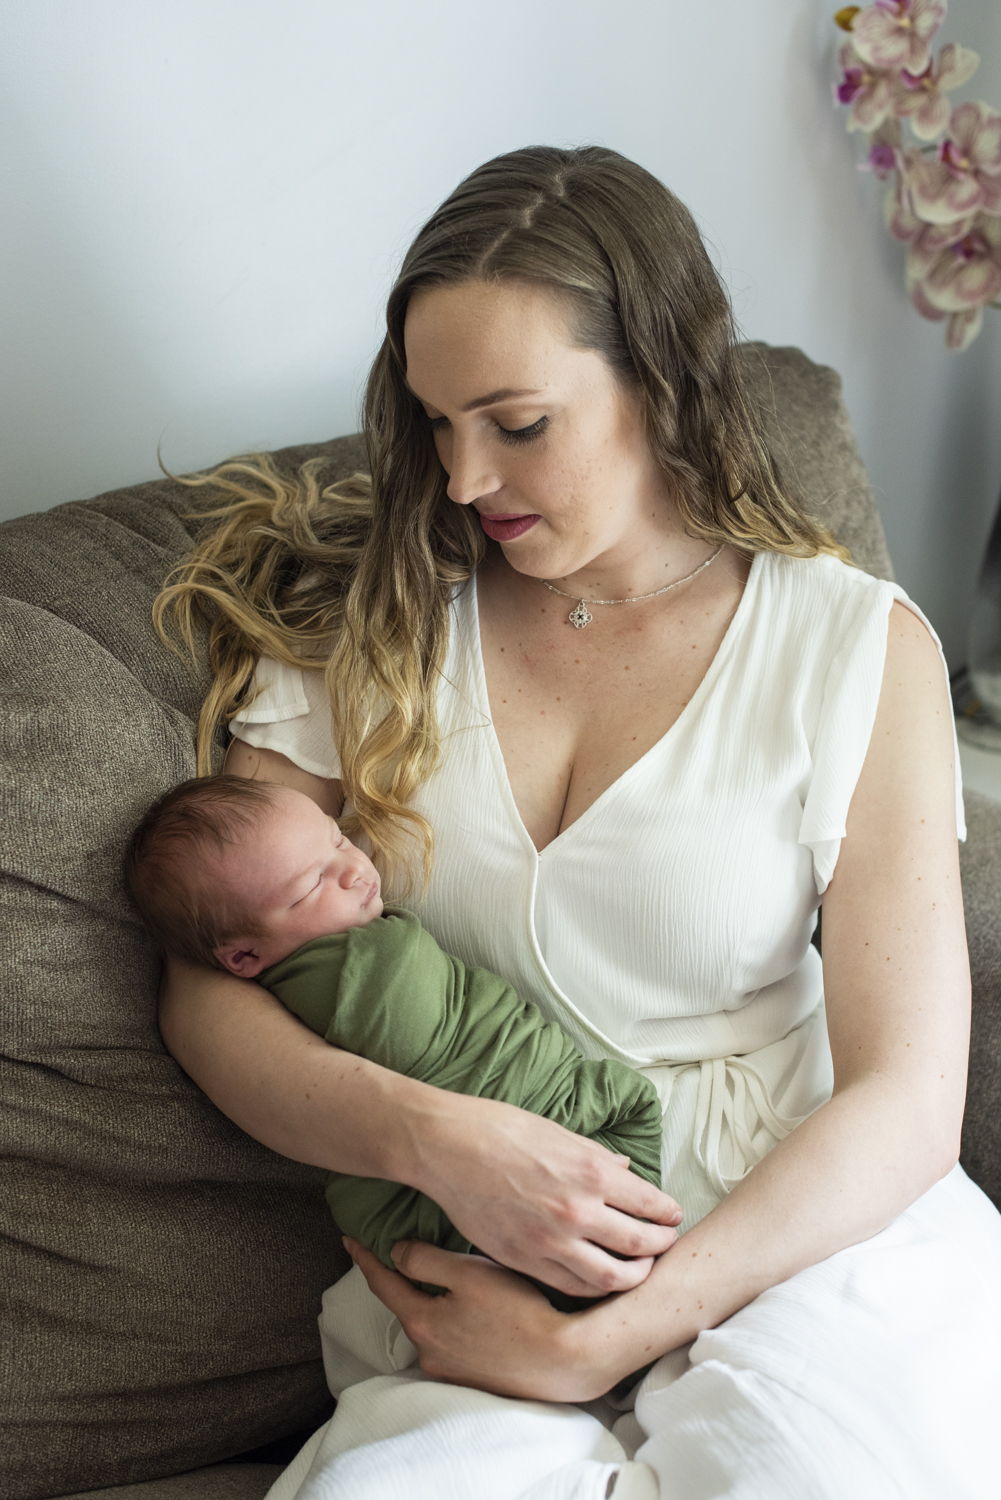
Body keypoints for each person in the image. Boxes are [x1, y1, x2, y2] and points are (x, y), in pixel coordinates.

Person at [156, 145, 1001, 1499]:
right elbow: (212, 995)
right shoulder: (364, 626)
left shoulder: (851, 650)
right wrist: (432, 1143)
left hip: (798, 1229)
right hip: (474, 1242)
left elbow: (908, 1099)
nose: (464, 477)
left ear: (661, 377)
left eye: (516, 422)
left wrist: (618, 1332)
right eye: (435, 424)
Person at [123, 773, 663, 1283]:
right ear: (243, 957)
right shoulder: (343, 980)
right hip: (481, 1154)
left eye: (338, 840)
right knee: (621, 1114)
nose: (354, 868)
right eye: (312, 884)